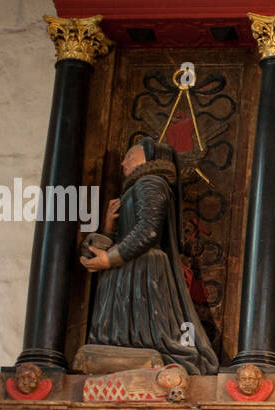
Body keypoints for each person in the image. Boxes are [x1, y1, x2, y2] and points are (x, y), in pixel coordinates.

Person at [79, 138, 218, 375]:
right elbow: (130, 234)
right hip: (128, 266)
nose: (123, 162)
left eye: (130, 156)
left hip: (142, 269)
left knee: (151, 332)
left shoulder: (151, 182)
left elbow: (149, 231)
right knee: (118, 333)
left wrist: (110, 259)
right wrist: (108, 227)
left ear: (150, 158)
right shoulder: (136, 189)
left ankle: (147, 355)